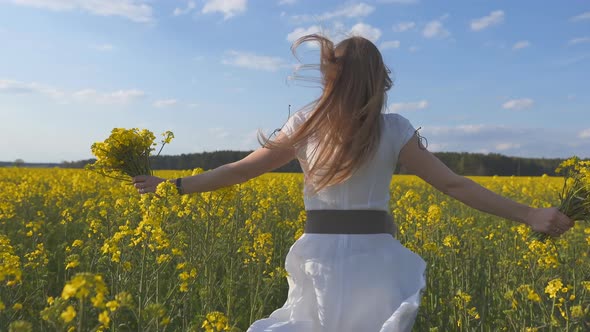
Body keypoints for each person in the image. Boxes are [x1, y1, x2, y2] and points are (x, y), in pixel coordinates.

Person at [132, 34, 574, 332]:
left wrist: (174, 187)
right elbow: (456, 186)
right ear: (381, 80)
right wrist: (530, 213)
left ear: (329, 76)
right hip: (376, 260)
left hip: (317, 257)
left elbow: (242, 169)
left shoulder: (304, 124)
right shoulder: (396, 130)